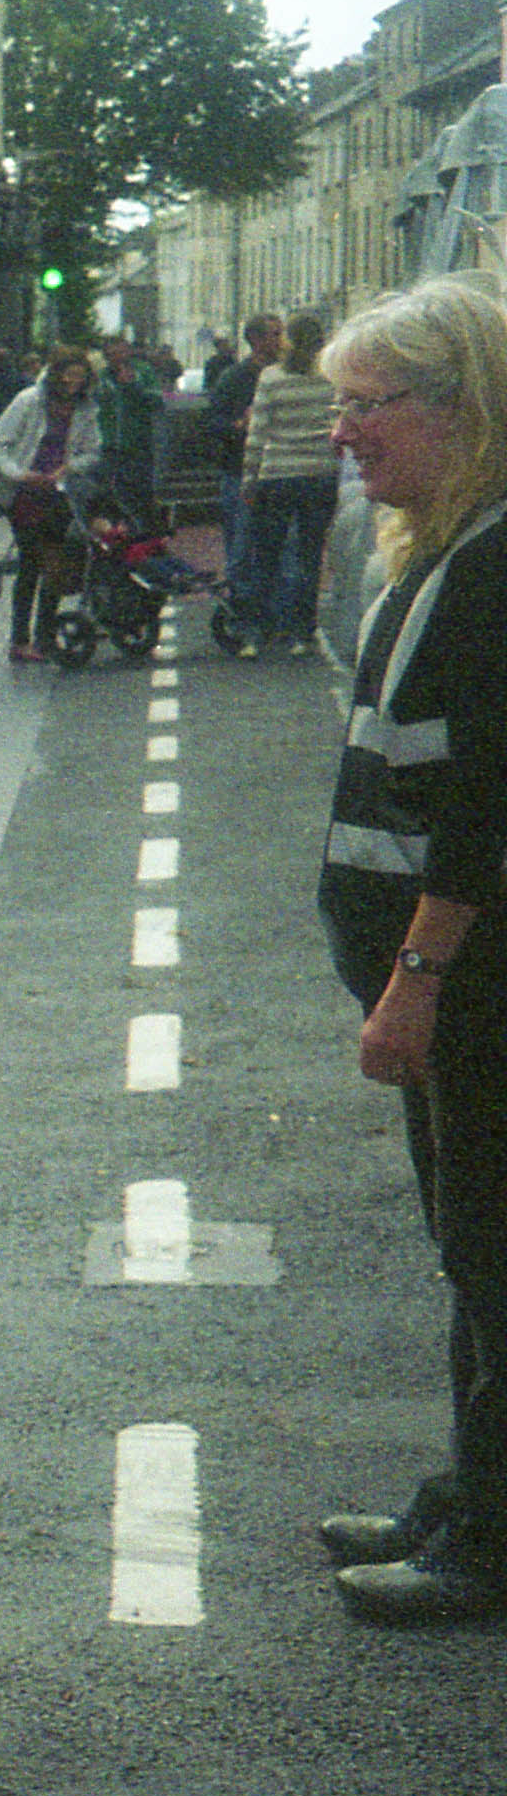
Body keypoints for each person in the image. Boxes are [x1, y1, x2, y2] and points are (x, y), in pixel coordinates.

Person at [305, 276, 507, 1625]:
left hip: (480, 988)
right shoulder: (450, 546)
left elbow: (487, 804)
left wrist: (417, 979)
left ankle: (487, 1548)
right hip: (452, 990)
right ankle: (471, 1493)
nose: (343, 434)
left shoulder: (495, 566)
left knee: (494, 1252)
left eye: (366, 405)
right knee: (469, 1249)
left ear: (458, 408)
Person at [231, 312, 338, 658]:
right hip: (319, 472)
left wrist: (249, 478)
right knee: (309, 556)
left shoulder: (271, 377)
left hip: (276, 474)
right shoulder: (330, 376)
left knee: (266, 555)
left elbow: (257, 432)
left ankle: (256, 633)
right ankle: (302, 633)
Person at [0, 345, 103, 663]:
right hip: (25, 493)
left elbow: (93, 451)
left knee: (56, 564)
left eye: (80, 379)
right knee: (31, 562)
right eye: (68, 378)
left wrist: (69, 468)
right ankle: (20, 639)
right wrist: (20, 474)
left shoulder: (86, 408)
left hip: (58, 492)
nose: (73, 385)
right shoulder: (28, 402)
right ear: (56, 377)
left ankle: (45, 635)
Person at [209, 311, 282, 616]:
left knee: (277, 544)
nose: (282, 340)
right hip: (239, 471)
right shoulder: (234, 378)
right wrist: (240, 425)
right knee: (241, 545)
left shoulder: (286, 376)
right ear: (255, 340)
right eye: (275, 334)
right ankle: (242, 611)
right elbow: (213, 423)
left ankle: (274, 610)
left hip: (277, 470)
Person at [93, 333, 165, 527]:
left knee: (139, 494)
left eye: (121, 352)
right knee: (110, 495)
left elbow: (157, 401)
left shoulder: (143, 371)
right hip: (108, 447)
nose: (117, 358)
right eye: (111, 354)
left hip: (137, 446)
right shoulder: (101, 377)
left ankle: (142, 535)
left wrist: (133, 386)